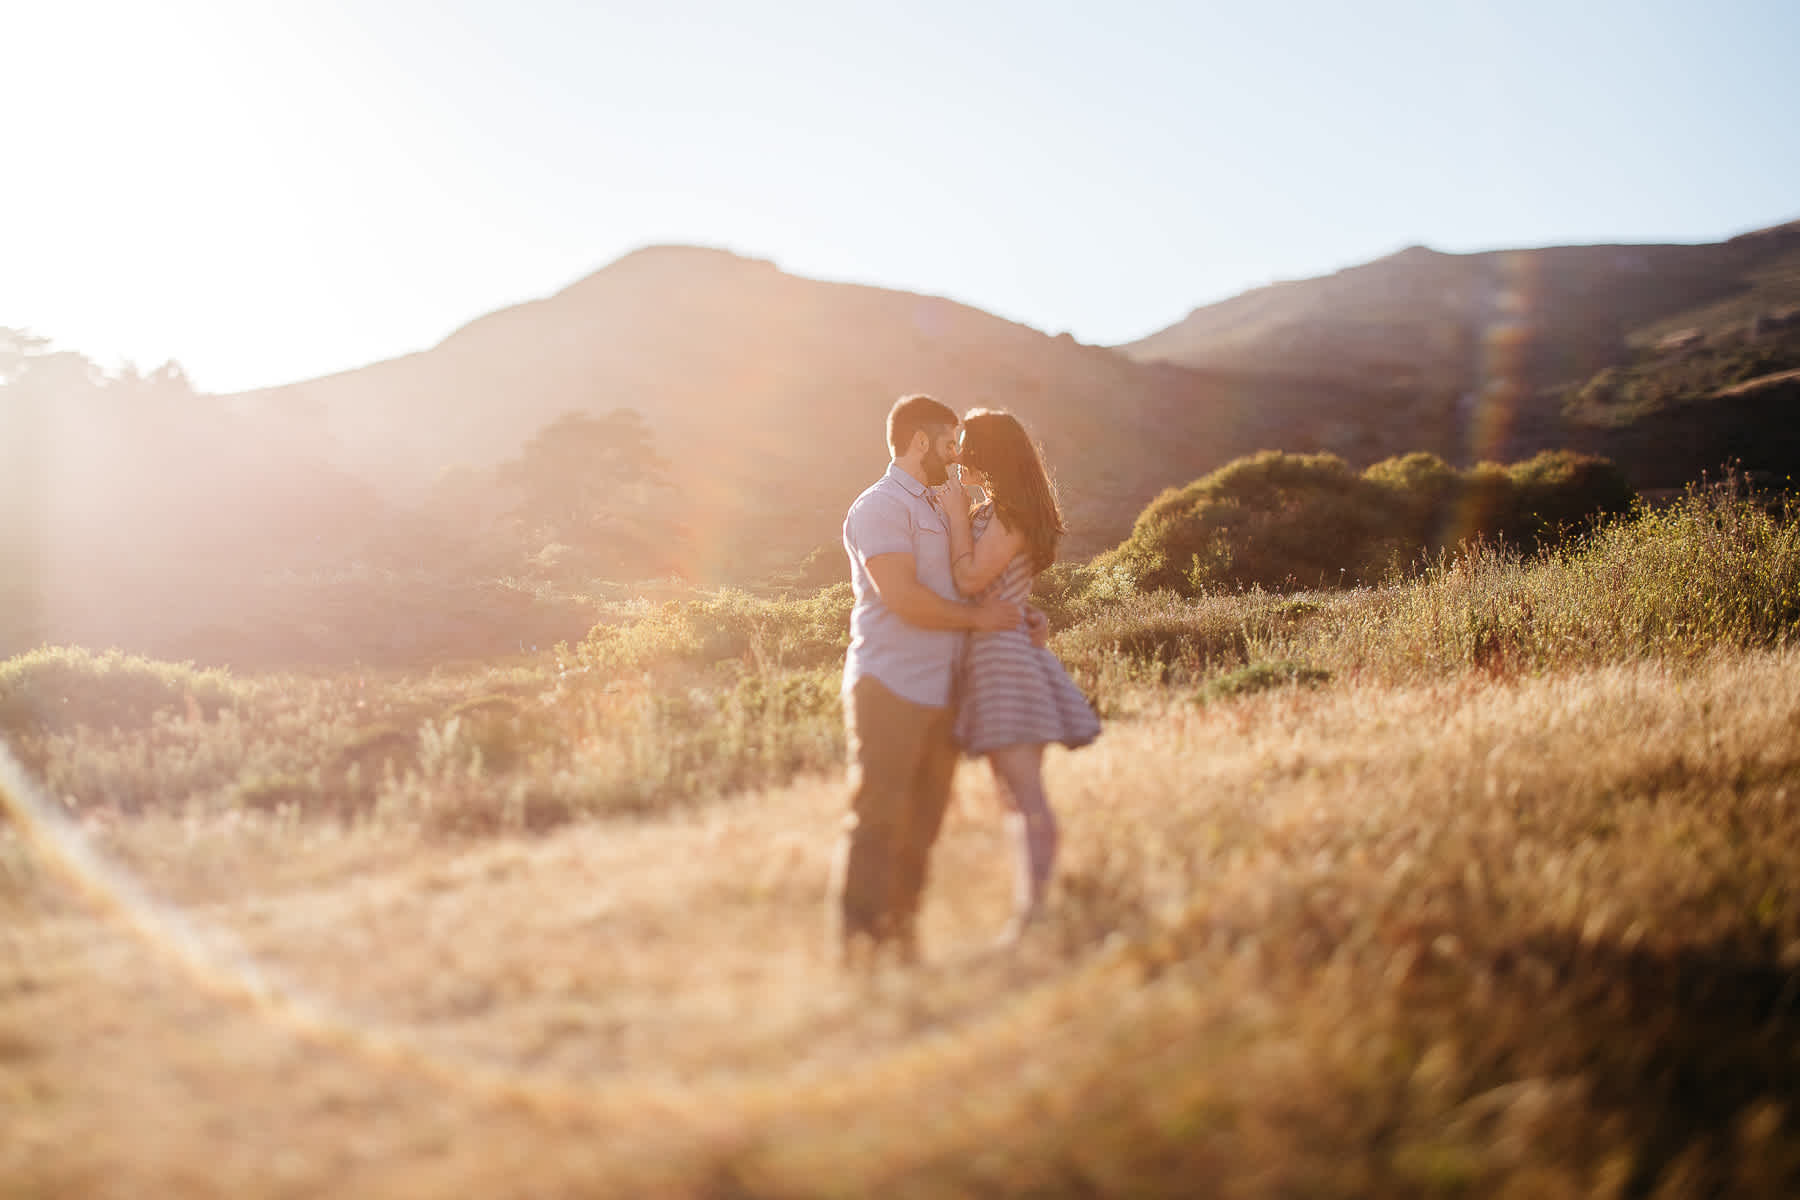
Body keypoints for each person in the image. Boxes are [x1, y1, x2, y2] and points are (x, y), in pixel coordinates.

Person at [832, 394, 1044, 968]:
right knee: (879, 815)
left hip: (944, 692)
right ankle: (858, 948)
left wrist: (1019, 614)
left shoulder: (942, 504)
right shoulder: (877, 507)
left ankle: (900, 940)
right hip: (892, 684)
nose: (957, 457)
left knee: (923, 823)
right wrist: (979, 619)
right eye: (950, 444)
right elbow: (901, 597)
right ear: (920, 442)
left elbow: (968, 582)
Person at [940, 408, 1100, 944]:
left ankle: (1034, 913)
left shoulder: (1002, 516)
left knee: (1026, 794)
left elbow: (969, 579)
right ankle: (1031, 905)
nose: (957, 456)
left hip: (1002, 659)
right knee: (1013, 794)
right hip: (995, 655)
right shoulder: (1003, 513)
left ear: (988, 454)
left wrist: (958, 514)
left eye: (965, 445)